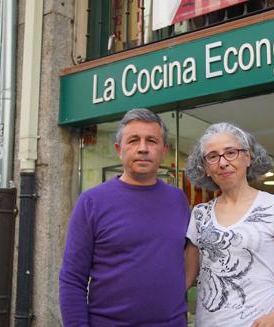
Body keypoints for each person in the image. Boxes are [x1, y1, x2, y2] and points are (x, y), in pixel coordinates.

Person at [59, 108, 190, 327]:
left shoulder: (178, 199)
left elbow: (186, 256)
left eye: (151, 141)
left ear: (164, 150)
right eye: (133, 140)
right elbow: (72, 279)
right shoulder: (92, 202)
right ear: (119, 150)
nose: (142, 148)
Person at [184, 122, 274, 327]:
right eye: (213, 156)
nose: (223, 162)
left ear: (248, 156)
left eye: (231, 152)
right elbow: (187, 277)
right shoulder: (200, 214)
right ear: (206, 168)